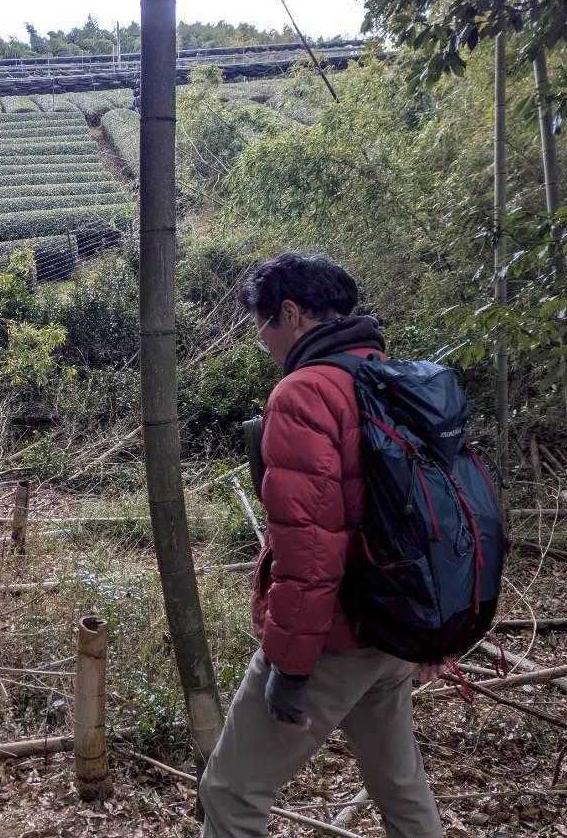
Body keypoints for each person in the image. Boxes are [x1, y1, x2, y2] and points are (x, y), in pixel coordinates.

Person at [199, 252, 445, 838]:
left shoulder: (303, 394)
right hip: (394, 628)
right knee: (399, 786)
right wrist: (432, 632)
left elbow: (309, 547)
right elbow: (434, 519)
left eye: (262, 324)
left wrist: (290, 664)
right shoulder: (397, 380)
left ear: (290, 314)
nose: (262, 340)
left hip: (334, 634)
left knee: (231, 793)